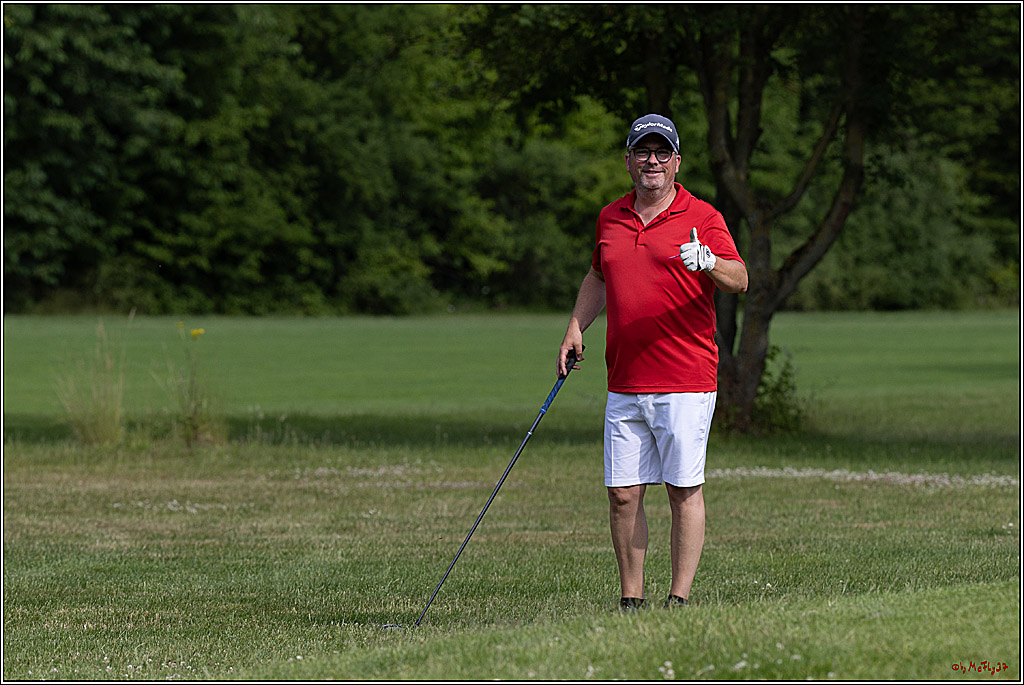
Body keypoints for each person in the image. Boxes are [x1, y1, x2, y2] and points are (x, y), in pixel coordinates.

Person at [557, 114, 748, 610]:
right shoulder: (610, 217)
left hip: (685, 378)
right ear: (628, 161)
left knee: (682, 490)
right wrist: (577, 326)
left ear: (677, 162)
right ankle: (631, 600)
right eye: (643, 152)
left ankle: (678, 599)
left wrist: (708, 261)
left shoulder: (701, 217)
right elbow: (598, 276)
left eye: (662, 153)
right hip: (624, 378)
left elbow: (740, 278)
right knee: (622, 494)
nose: (653, 161)